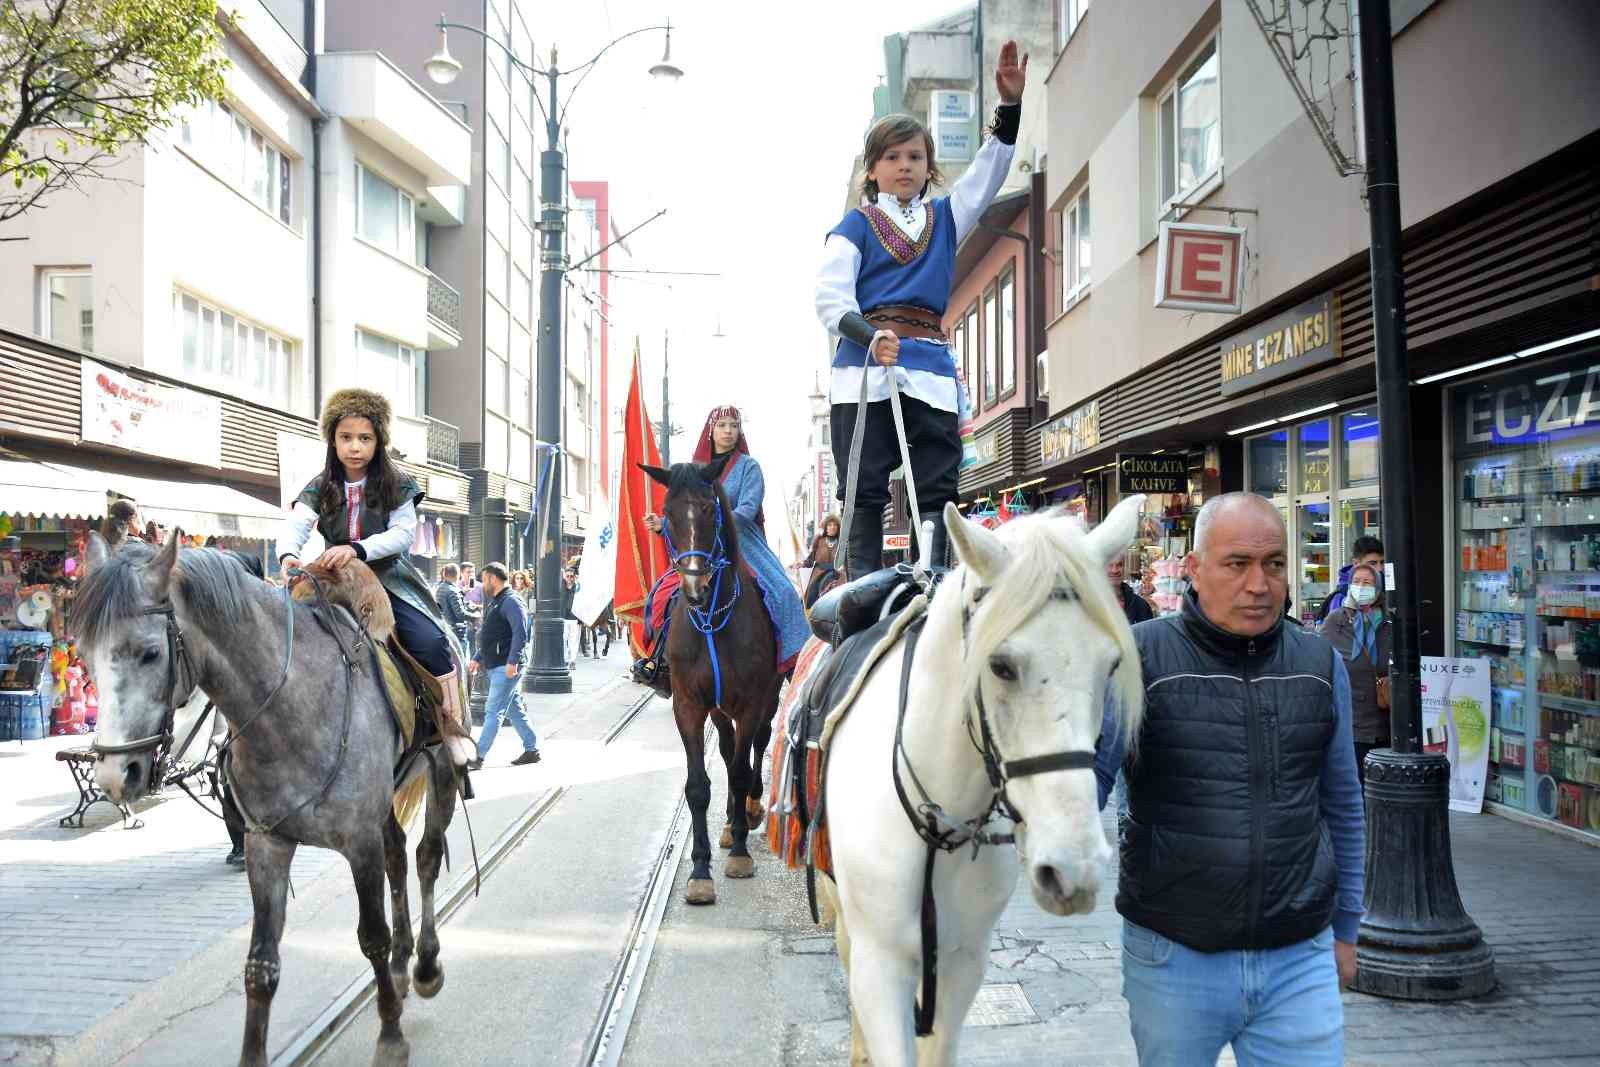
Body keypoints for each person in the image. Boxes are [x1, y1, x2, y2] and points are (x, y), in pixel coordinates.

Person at [1093, 493, 1365, 1066]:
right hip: (1174, 954)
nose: (1259, 585)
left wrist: (1346, 930)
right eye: (1236, 564)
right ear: (1193, 569)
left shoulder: (1319, 664)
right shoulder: (1138, 658)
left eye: (1273, 564)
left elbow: (1342, 805)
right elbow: (1085, 783)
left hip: (1299, 955)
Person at [815, 41, 1028, 578]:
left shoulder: (947, 217)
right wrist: (867, 335)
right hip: (864, 369)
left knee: (937, 481)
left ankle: (936, 578)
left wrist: (1010, 108)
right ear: (873, 171)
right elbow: (830, 297)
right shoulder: (855, 227)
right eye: (892, 157)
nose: (904, 166)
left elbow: (988, 172)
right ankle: (861, 589)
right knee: (864, 484)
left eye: (914, 157)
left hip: (929, 365)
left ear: (929, 167)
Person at [276, 388, 474, 766]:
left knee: (431, 643)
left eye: (364, 438)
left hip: (389, 578)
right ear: (332, 439)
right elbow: (298, 524)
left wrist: (358, 549)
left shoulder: (396, 482)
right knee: (277, 632)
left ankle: (450, 727)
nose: (355, 447)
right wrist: (287, 555)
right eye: (346, 437)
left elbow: (402, 534)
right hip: (331, 577)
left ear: (378, 440)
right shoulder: (319, 485)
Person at [640, 406, 811, 686]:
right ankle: (659, 662)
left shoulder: (749, 466)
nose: (728, 431)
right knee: (661, 597)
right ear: (711, 430)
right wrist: (663, 523)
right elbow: (684, 512)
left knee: (783, 593)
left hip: (743, 541)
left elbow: (746, 509)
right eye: (722, 425)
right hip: (701, 545)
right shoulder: (692, 470)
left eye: (733, 425)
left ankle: (795, 665)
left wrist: (716, 520)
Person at [1318, 562, 1392, 782]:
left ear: (1378, 589)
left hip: (1385, 718)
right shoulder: (1336, 621)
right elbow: (1321, 661)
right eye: (1356, 582)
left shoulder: (1388, 623)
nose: (1361, 587)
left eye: (1367, 582)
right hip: (1351, 720)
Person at [469, 562, 540, 768]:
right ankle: (531, 748)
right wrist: (477, 657)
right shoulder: (498, 601)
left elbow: (521, 633)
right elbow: (491, 635)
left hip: (505, 666)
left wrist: (513, 661)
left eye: (484, 579)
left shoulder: (510, 601)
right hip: (498, 663)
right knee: (514, 708)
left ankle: (478, 756)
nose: (482, 584)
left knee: (493, 710)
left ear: (492, 578)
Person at [1317, 535, 1385, 623]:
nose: (1379, 568)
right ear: (1356, 563)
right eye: (1372, 563)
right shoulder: (1341, 597)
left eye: (1382, 562)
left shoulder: (1385, 587)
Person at [801, 513, 841, 607]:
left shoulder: (842, 542)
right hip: (818, 575)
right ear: (826, 527)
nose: (832, 527)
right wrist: (801, 564)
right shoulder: (819, 540)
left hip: (837, 574)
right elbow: (810, 559)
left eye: (835, 525)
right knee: (811, 599)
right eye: (830, 525)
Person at [1109, 554, 1154, 626]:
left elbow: (1148, 635)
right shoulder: (1088, 605)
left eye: (1119, 565)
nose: (1115, 570)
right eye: (1109, 565)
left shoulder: (1140, 605)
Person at [434, 563, 471, 648]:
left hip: (446, 629)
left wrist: (461, 594)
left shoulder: (440, 587)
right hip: (457, 632)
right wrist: (475, 617)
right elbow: (460, 614)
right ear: (458, 575)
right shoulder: (453, 590)